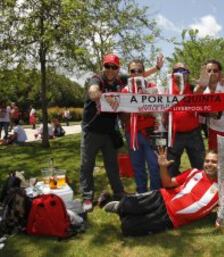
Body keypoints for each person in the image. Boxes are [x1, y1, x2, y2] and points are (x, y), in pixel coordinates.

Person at [101, 148, 224, 236]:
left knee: (129, 228)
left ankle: (126, 212)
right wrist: (162, 167)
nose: (209, 164)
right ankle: (117, 205)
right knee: (128, 205)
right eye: (207, 161)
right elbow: (168, 183)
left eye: (214, 162)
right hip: (161, 198)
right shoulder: (193, 172)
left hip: (172, 219)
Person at [80, 53, 163, 212]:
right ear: (103, 67)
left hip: (110, 132)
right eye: (107, 66)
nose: (110, 70)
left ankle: (119, 193)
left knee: (112, 165)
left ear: (118, 69)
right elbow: (93, 91)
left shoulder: (121, 81)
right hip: (92, 131)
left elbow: (139, 76)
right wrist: (103, 98)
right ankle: (87, 197)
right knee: (87, 165)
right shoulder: (96, 79)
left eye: (114, 67)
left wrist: (157, 68)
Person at [120, 59, 161, 193]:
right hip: (133, 134)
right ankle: (142, 193)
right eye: (133, 71)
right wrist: (134, 109)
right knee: (138, 166)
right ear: (129, 73)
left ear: (144, 72)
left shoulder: (152, 86)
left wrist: (145, 110)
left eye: (139, 70)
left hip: (151, 132)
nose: (136, 73)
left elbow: (159, 108)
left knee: (154, 165)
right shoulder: (125, 91)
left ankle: (155, 194)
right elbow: (123, 116)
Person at [166, 63, 205, 177]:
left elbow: (204, 96)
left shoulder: (194, 88)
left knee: (200, 166)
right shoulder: (166, 90)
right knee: (171, 169)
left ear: (188, 74)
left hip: (194, 134)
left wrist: (203, 84)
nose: (180, 73)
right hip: (174, 135)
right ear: (172, 74)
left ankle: (202, 191)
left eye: (183, 71)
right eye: (177, 70)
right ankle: (173, 192)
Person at [194, 60, 224, 151]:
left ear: (219, 72)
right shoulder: (201, 87)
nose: (212, 73)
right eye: (209, 71)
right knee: (216, 161)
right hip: (214, 131)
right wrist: (202, 85)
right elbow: (195, 99)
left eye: (215, 70)